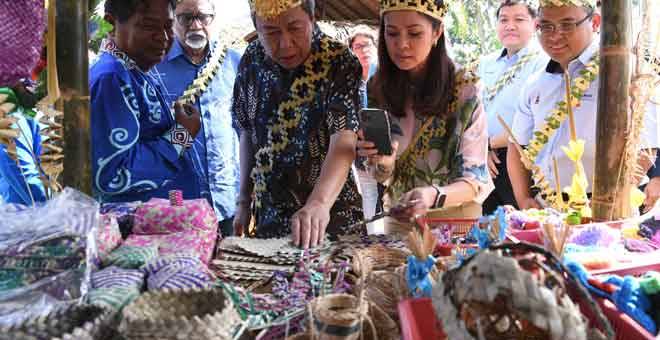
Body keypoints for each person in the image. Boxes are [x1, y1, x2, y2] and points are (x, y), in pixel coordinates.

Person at [231, 0, 363, 248]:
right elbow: (247, 132)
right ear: (256, 27)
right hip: (270, 218)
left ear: (313, 19)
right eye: (270, 32)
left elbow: (344, 137)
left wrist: (319, 203)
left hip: (331, 216)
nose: (285, 44)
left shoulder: (339, 61)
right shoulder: (251, 59)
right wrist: (243, 200)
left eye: (295, 28)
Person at [508, 0, 659, 209]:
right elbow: (516, 146)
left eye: (567, 25)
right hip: (548, 207)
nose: (555, 35)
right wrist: (524, 199)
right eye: (546, 26)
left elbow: (647, 148)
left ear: (595, 22)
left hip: (607, 209)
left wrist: (609, 204)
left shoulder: (627, 71)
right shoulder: (535, 83)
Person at [358, 0, 494, 223]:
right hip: (400, 220)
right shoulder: (377, 87)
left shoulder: (464, 88)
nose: (402, 44)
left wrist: (430, 195)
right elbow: (381, 176)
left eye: (414, 33)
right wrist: (383, 164)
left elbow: (474, 179)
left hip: (454, 223)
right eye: (392, 33)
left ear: (437, 32)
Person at [91, 0, 204, 206]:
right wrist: (182, 136)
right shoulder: (111, 78)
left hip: (156, 225)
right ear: (111, 24)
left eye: (168, 26)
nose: (163, 37)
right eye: (149, 26)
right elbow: (112, 175)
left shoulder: (131, 71)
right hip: (136, 230)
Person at [149, 0, 242, 237]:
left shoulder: (234, 62)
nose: (196, 25)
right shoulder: (153, 66)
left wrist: (246, 196)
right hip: (176, 202)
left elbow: (245, 131)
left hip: (227, 201)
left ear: (214, 18)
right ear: (172, 21)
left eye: (203, 16)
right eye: (186, 17)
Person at [477, 0, 549, 214]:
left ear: (535, 24)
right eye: (503, 20)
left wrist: (489, 144)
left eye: (519, 19)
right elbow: (474, 110)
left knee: (524, 228)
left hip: (522, 158)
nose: (510, 26)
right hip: (484, 161)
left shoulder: (543, 62)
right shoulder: (485, 63)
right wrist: (481, 148)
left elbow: (537, 119)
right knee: (488, 229)